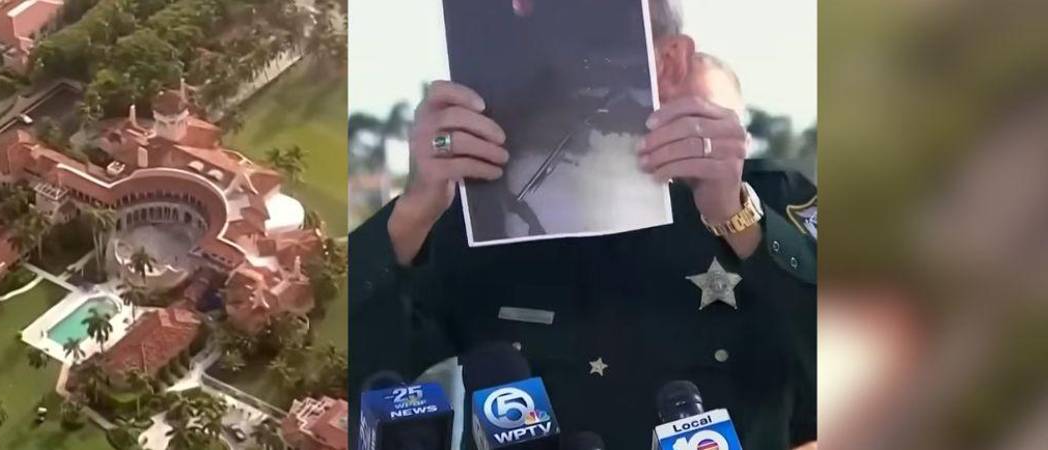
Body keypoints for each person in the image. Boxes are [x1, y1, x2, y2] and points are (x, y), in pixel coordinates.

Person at [347, 1, 816, 449]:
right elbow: (356, 379)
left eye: (593, 33)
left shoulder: (769, 199)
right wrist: (414, 211)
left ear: (669, 62)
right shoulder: (476, 219)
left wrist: (737, 219)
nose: (557, 66)